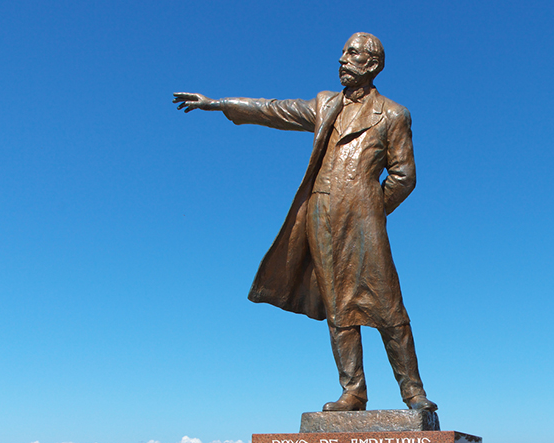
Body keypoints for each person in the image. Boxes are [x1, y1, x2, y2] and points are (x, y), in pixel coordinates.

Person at [175, 33, 436, 412]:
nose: (342, 59)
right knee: (337, 306)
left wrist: (369, 209)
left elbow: (403, 176)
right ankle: (353, 390)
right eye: (343, 52)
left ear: (373, 64)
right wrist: (219, 104)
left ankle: (413, 392)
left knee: (387, 305)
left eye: (352, 53)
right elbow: (273, 110)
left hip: (363, 219)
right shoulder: (325, 104)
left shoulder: (393, 115)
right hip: (321, 215)